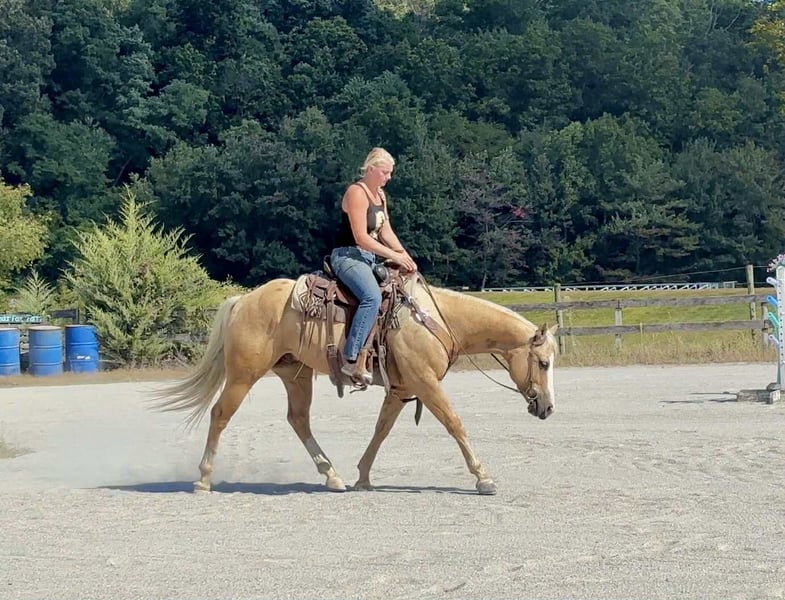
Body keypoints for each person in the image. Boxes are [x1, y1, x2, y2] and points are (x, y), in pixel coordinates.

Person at [330, 147, 418, 385]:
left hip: (369, 258)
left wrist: (405, 256)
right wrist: (394, 255)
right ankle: (351, 357)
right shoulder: (356, 193)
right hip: (347, 256)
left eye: (390, 173)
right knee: (372, 297)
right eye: (384, 172)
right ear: (370, 169)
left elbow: (385, 231)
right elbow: (361, 238)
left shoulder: (380, 195)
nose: (388, 177)